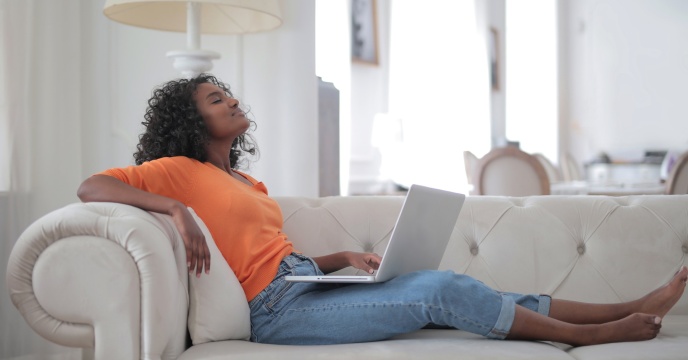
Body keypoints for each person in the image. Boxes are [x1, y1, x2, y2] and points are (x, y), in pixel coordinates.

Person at [77, 74, 688, 346]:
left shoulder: (247, 182)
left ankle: (628, 305)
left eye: (229, 93)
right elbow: (91, 187)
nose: (232, 100)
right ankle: (599, 334)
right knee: (439, 291)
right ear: (192, 120)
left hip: (303, 284)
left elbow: (268, 256)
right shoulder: (178, 172)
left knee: (460, 286)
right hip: (275, 314)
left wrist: (340, 257)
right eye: (216, 98)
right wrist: (175, 211)